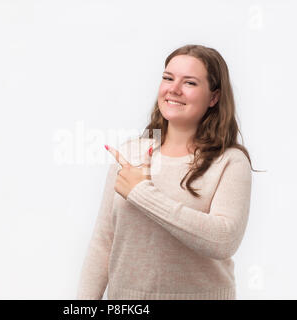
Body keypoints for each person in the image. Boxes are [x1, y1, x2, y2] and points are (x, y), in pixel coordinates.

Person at [76, 44, 261, 300]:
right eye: (168, 78)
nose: (173, 89)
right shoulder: (131, 154)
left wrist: (142, 193)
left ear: (214, 97)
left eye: (190, 83)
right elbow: (103, 243)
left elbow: (223, 240)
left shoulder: (230, 162)